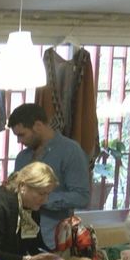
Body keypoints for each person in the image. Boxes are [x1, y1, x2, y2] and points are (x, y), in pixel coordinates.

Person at [9, 103, 90, 250]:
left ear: (38, 125)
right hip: (20, 238)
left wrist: (41, 199)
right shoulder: (22, 157)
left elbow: (82, 197)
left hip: (53, 239)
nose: (19, 141)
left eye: (22, 135)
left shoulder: (70, 151)